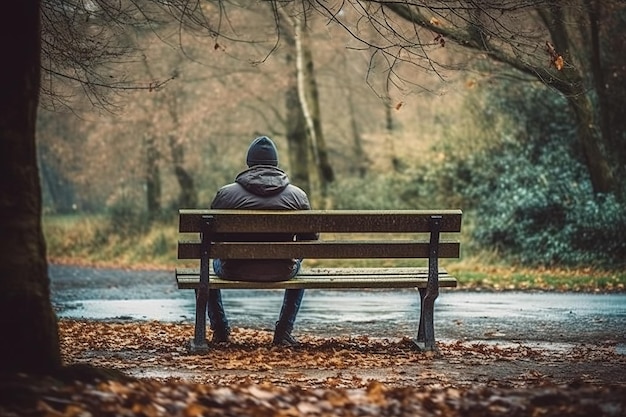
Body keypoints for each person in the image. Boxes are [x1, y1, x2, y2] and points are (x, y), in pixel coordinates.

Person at [208, 136, 317, 346]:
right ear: (276, 164)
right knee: (298, 264)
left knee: (205, 269)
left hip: (234, 269)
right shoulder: (297, 196)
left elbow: (210, 239)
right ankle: (283, 332)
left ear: (249, 164)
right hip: (282, 269)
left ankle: (220, 331)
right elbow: (309, 240)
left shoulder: (226, 194)